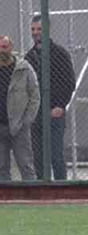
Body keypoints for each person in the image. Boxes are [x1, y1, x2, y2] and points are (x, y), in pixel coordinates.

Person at [25, 14, 75, 180]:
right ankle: (41, 189)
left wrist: (60, 106)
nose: (36, 32)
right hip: (36, 114)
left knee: (56, 156)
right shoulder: (29, 57)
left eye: (39, 29)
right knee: (38, 157)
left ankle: (62, 189)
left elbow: (70, 82)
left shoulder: (60, 54)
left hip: (55, 112)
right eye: (33, 29)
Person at [0, 35, 38, 181]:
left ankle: (33, 198)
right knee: (1, 167)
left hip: (19, 126)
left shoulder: (23, 68)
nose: (2, 51)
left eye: (4, 47)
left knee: (26, 165)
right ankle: (5, 200)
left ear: (11, 48)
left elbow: (35, 95)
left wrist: (27, 120)